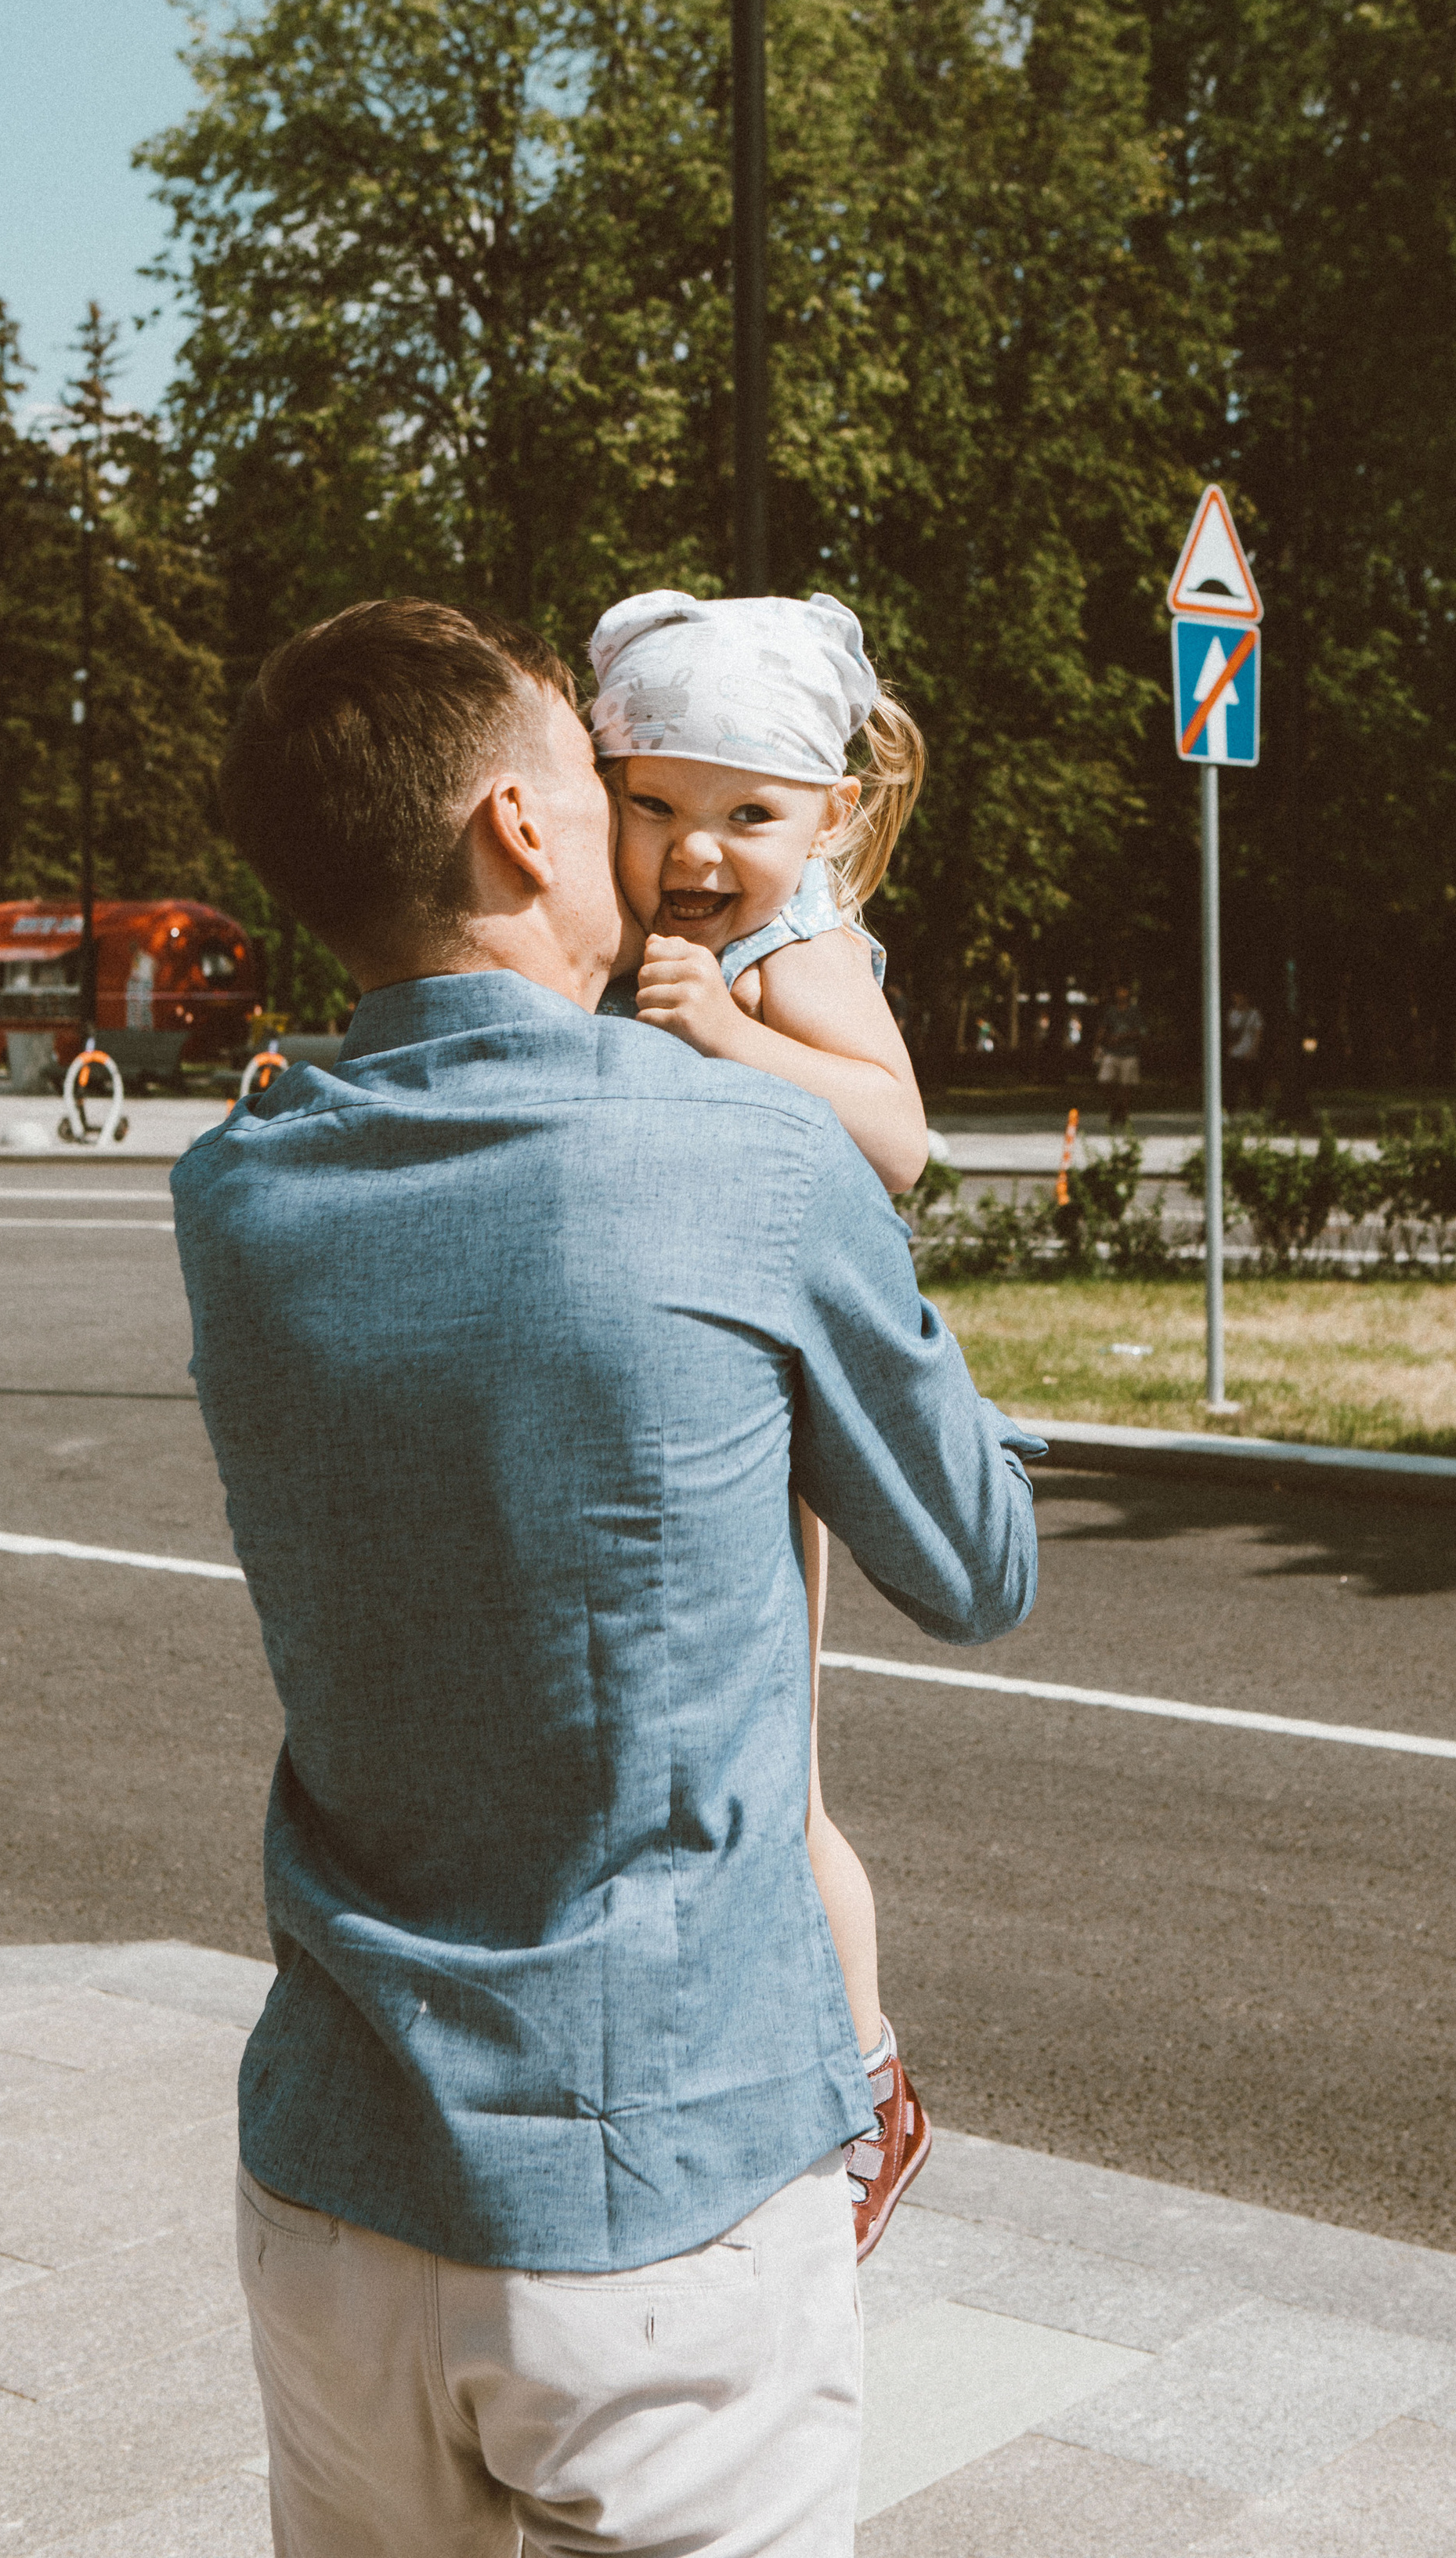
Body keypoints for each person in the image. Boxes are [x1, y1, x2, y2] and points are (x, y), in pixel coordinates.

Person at [173, 598, 1040, 2558]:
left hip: (331, 2176)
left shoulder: (235, 1191)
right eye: (602, 774)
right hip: (655, 2201)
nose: (659, 834)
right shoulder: (743, 1156)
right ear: (517, 828)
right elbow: (976, 1565)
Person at [587, 586, 926, 2259]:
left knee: (770, 1775)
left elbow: (896, 1136)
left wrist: (727, 1030)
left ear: (829, 818)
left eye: (747, 814)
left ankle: (865, 2085)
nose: (694, 849)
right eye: (649, 804)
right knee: (699, 1749)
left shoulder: (793, 951)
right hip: (674, 1370)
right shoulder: (635, 935)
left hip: (768, 1393)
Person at [1093, 981, 1146, 1128]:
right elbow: (1102, 1030)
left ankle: (1124, 1114)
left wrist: (1123, 1037)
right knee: (1104, 1081)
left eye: (1123, 990)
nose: (1120, 994)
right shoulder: (1111, 1011)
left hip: (1129, 1053)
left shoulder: (1134, 1011)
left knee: (1126, 1086)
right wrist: (1097, 1046)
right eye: (1118, 991)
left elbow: (1141, 1031)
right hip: (1112, 1052)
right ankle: (1116, 1107)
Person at [1226, 986, 1266, 1113]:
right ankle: (1229, 1111)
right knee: (1232, 1086)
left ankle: (1257, 1110)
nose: (1238, 1001)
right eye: (1236, 998)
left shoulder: (1254, 1014)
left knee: (1254, 1086)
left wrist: (1253, 1051)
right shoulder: (1232, 1014)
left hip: (1250, 1055)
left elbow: (1259, 1034)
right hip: (1234, 1054)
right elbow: (1230, 1033)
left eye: (1240, 998)